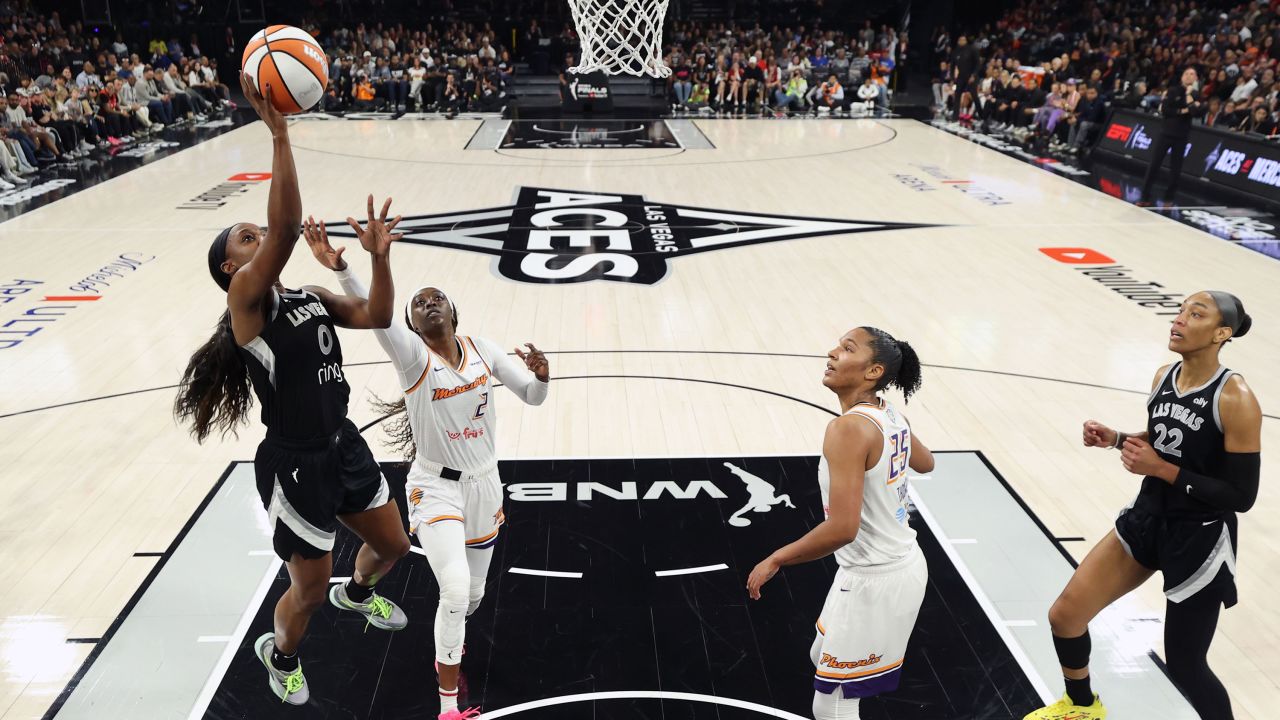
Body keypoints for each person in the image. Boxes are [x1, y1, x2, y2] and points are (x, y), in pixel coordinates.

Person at [173, 76, 412, 706]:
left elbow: (380, 317)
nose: (260, 238)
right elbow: (282, 231)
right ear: (232, 268)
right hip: (295, 463)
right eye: (245, 240)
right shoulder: (246, 304)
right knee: (304, 590)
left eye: (255, 232)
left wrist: (376, 259)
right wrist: (279, 134)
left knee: (393, 545)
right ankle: (281, 656)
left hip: (344, 444)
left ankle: (356, 593)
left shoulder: (309, 297)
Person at [302, 217, 551, 720]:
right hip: (435, 489)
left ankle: (449, 642)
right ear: (413, 326)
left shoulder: (483, 350)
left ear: (453, 313)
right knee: (455, 590)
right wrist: (354, 266)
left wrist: (544, 377)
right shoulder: (414, 358)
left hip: (485, 487)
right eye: (419, 303)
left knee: (472, 597)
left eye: (436, 297)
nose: (427, 302)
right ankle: (448, 708)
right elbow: (380, 318)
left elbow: (532, 396)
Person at [1023, 292, 1260, 720]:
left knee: (1186, 667)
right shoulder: (1163, 375)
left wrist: (1163, 471)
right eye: (1180, 311)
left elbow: (1242, 496)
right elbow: (1167, 439)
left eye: (1195, 315)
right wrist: (1116, 438)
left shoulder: (1236, 398)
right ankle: (1082, 708)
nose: (1179, 320)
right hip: (1148, 517)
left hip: (1200, 536)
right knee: (1065, 616)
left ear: (1221, 334)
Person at [748, 327, 934, 720]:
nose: (832, 353)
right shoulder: (887, 412)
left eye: (847, 349)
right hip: (891, 564)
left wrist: (776, 559)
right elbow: (926, 462)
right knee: (821, 652)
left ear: (873, 371)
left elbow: (842, 529)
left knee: (832, 701)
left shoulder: (848, 428)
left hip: (877, 576)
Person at [1140, 68, 1202, 205]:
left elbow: (1197, 112)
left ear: (1196, 78)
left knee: (1176, 168)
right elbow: (1166, 110)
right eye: (1186, 73)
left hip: (1182, 135)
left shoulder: (1196, 94)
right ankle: (1144, 197)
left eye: (1192, 74)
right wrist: (1185, 110)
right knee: (1154, 164)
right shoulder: (1173, 90)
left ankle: (1169, 198)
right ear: (1182, 77)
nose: (1188, 76)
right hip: (1166, 132)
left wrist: (1188, 101)